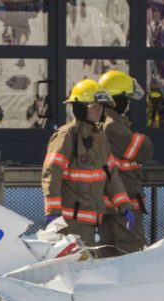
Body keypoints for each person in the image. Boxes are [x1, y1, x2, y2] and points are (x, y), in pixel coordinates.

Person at [42, 79, 134, 246]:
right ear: (79, 108)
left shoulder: (99, 138)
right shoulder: (67, 135)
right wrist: (53, 211)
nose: (99, 110)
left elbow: (111, 176)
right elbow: (51, 173)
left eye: (101, 105)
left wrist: (124, 205)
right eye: (93, 105)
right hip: (69, 225)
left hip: (91, 223)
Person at [97, 70, 154, 256]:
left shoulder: (99, 121)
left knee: (108, 252)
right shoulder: (112, 125)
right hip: (124, 203)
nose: (128, 104)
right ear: (116, 99)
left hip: (110, 204)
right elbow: (144, 151)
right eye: (126, 98)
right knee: (131, 252)